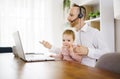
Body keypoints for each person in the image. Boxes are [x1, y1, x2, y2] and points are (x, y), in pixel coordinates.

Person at [40, 4, 109, 67]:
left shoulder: (94, 33)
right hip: (71, 69)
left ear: (81, 17)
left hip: (88, 72)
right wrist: (50, 47)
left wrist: (88, 51)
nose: (68, 18)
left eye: (71, 15)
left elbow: (106, 54)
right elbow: (66, 51)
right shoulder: (73, 33)